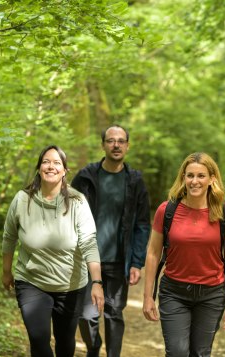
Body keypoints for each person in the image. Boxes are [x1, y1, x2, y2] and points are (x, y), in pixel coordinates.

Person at [2, 145, 104, 357]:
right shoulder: (22, 199)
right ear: (39, 168)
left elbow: (89, 242)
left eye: (57, 163)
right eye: (46, 162)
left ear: (65, 170)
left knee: (65, 342)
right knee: (38, 339)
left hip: (71, 285)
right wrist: (6, 271)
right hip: (31, 281)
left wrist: (96, 282)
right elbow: (9, 236)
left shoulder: (77, 202)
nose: (51, 166)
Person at [143, 152, 225, 357]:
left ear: (212, 179)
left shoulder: (224, 212)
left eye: (201, 176)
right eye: (190, 176)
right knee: (177, 352)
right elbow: (153, 253)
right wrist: (147, 296)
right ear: (183, 178)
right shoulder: (166, 210)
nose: (194, 181)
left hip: (211, 295)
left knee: (200, 353)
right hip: (174, 292)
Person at [71, 125, 151, 357]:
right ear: (103, 144)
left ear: (127, 145)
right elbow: (68, 215)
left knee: (114, 312)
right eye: (111, 140)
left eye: (121, 141)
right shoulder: (86, 177)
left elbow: (142, 224)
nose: (116, 145)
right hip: (87, 259)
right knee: (86, 315)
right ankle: (93, 347)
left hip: (119, 260)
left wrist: (136, 262)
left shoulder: (135, 181)